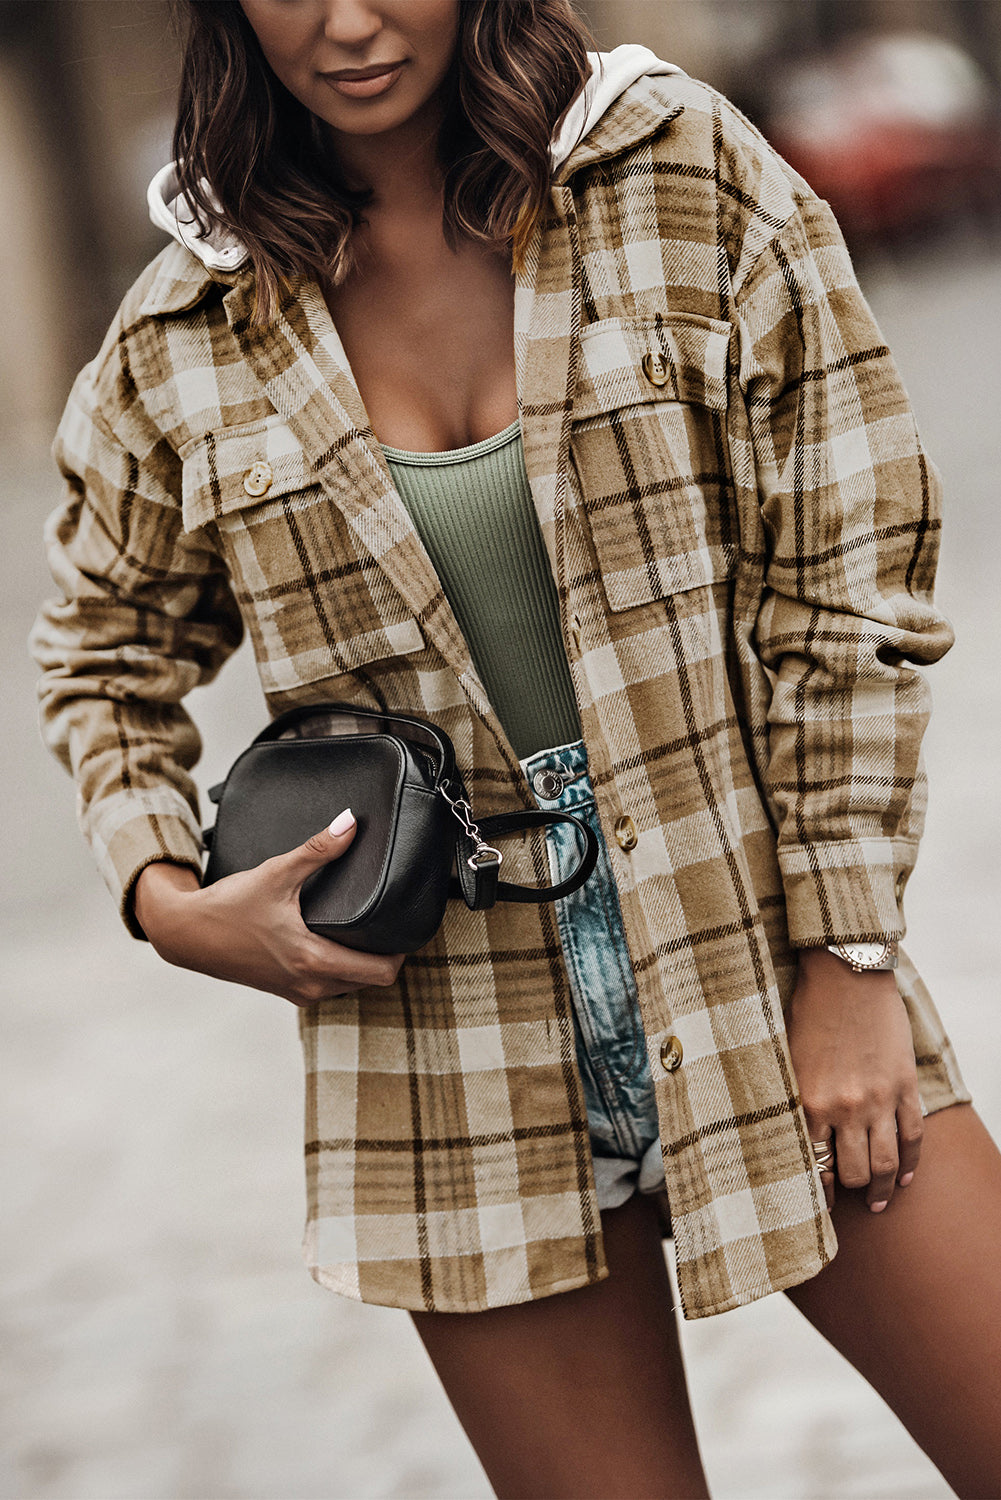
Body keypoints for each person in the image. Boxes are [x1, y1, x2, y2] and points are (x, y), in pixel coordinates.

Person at [31, 2, 1001, 1496]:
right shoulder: (187, 330)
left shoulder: (678, 174)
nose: (347, 22)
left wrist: (848, 960)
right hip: (440, 1045)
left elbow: (851, 576)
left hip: (752, 944)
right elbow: (100, 655)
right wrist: (167, 900)